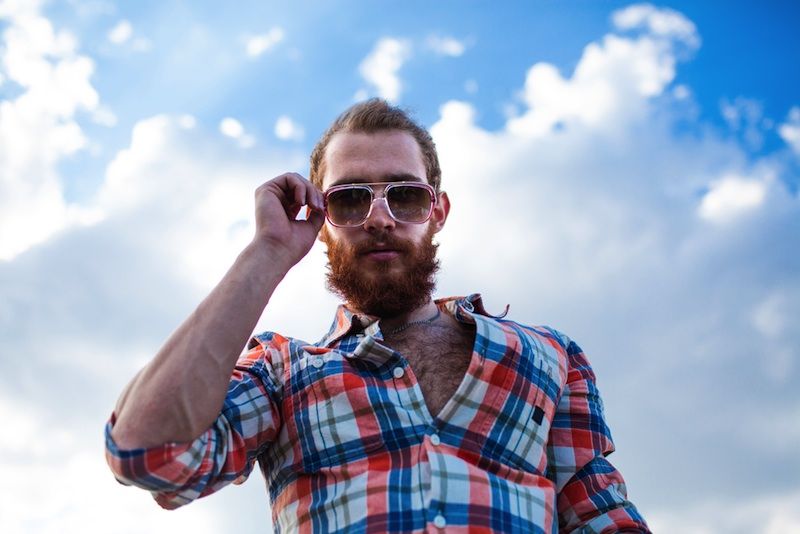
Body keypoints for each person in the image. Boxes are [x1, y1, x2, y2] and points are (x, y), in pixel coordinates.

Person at [105, 99, 650, 533]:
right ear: (320, 219)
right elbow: (147, 453)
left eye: (406, 196)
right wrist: (268, 250)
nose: (380, 219)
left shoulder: (549, 356)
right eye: (349, 200)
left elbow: (601, 517)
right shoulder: (282, 373)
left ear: (437, 211)